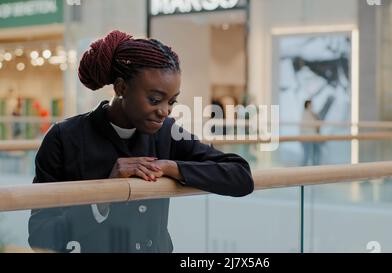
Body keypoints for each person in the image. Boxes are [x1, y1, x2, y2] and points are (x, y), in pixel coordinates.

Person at [27, 30, 254, 253]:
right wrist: (104, 195)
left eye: (172, 101)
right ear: (121, 88)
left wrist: (170, 167)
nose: (164, 111)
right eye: (154, 100)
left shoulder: (167, 133)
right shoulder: (64, 138)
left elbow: (240, 175)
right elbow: (41, 236)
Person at [300, 100, 321, 166]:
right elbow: (308, 127)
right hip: (307, 137)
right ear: (307, 105)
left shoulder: (311, 113)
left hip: (313, 137)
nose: (312, 106)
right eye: (310, 104)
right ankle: (301, 171)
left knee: (316, 153)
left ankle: (315, 168)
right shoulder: (305, 114)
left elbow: (317, 124)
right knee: (307, 154)